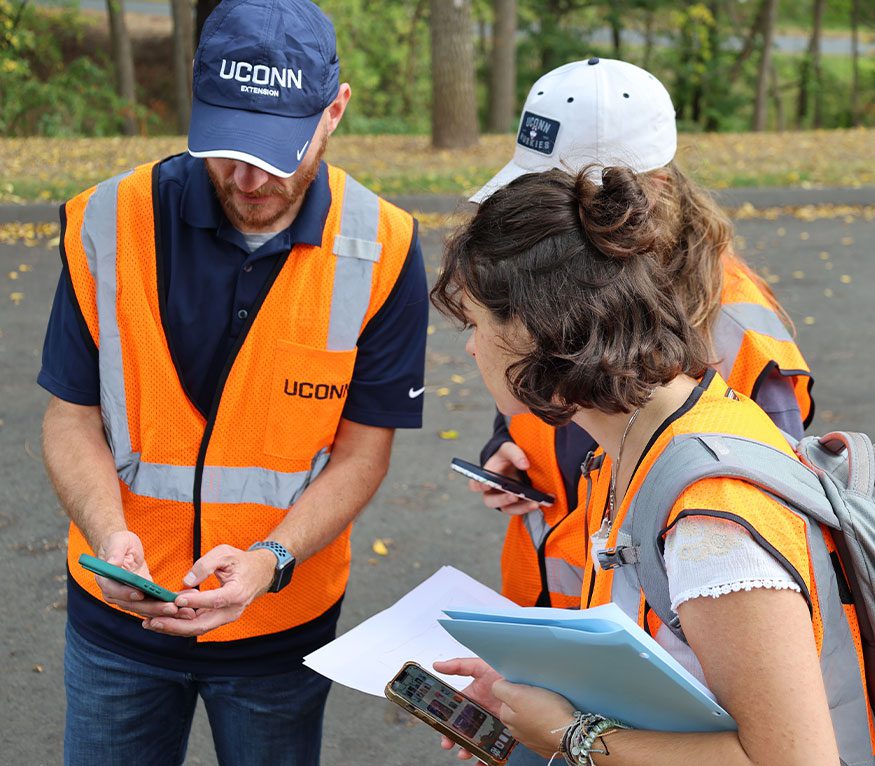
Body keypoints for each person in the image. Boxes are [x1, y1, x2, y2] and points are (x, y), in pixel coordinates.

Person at [38, 0, 428, 763]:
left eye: (278, 152)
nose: (249, 179)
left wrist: (270, 561)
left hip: (279, 633)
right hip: (117, 627)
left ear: (334, 111)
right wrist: (109, 533)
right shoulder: (105, 220)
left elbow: (363, 452)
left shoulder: (383, 245)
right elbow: (70, 416)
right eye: (229, 146)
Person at [430, 167, 873, 765]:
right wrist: (532, 692)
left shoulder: (712, 523)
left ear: (536, 328)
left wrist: (570, 735)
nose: (471, 347)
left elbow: (795, 760)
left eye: (477, 324)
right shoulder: (642, 436)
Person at [466, 58, 814, 614]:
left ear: (652, 190)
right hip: (545, 611)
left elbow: (773, 533)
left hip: (657, 639)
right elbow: (530, 393)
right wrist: (503, 452)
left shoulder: (738, 332)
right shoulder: (561, 284)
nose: (547, 225)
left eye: (570, 201)